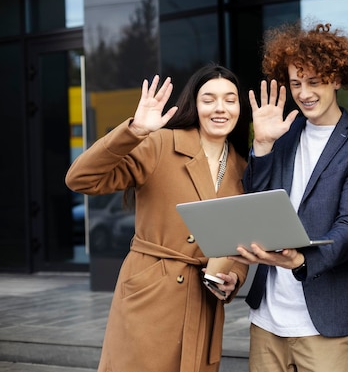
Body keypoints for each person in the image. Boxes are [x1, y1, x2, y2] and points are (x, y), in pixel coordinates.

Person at [65, 64, 250, 372]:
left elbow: (239, 242)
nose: (220, 108)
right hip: (151, 295)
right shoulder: (160, 144)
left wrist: (234, 278)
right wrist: (134, 131)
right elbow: (81, 179)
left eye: (230, 99)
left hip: (202, 304)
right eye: (209, 99)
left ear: (239, 108)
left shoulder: (242, 168)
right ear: (195, 104)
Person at [231, 21, 348, 372]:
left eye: (314, 81)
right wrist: (262, 144)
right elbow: (254, 203)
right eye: (296, 83)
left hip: (326, 323)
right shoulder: (282, 136)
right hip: (267, 319)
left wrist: (302, 261)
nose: (304, 93)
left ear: (335, 78)